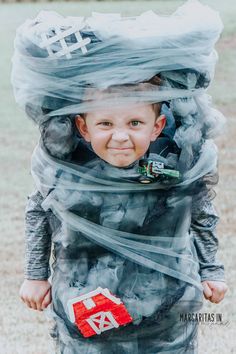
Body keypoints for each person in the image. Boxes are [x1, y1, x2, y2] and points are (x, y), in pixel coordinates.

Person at [12, 3, 228, 353]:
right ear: (82, 126)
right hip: (85, 299)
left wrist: (211, 271)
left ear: (158, 126)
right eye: (105, 124)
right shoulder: (69, 169)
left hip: (166, 305)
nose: (121, 136)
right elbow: (40, 210)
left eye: (135, 123)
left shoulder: (174, 166)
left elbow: (200, 212)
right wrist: (35, 274)